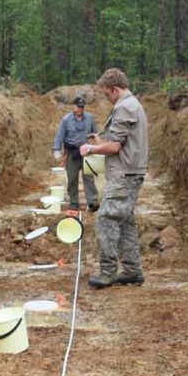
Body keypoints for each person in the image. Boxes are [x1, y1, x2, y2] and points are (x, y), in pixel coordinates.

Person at [80, 68, 149, 289]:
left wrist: (90, 149)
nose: (106, 98)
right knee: (125, 221)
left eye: (107, 94)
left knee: (106, 218)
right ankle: (132, 270)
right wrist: (100, 141)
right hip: (129, 171)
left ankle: (107, 271)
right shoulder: (132, 105)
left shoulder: (124, 107)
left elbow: (115, 147)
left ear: (114, 89)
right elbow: (120, 143)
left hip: (124, 174)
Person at [52, 97, 100, 212]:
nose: (80, 109)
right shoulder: (66, 120)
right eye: (78, 106)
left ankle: (92, 202)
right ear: (73, 107)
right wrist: (57, 149)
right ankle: (74, 202)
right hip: (72, 153)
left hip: (86, 152)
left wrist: (97, 147)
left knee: (88, 177)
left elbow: (95, 134)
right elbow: (60, 136)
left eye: (82, 106)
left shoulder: (89, 118)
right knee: (72, 178)